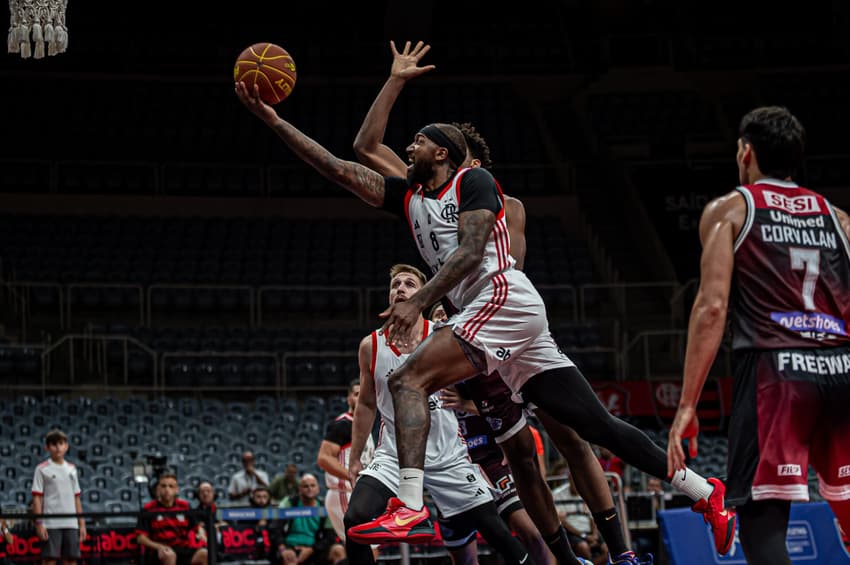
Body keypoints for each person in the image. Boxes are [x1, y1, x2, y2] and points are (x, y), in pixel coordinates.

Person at [234, 61, 733, 562]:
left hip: (499, 296)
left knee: (408, 379)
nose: (407, 149)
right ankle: (704, 492)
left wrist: (421, 302)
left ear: (442, 153)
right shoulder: (410, 198)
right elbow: (342, 165)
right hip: (499, 317)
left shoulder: (475, 183)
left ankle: (409, 503)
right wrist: (275, 122)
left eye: (416, 142)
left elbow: (472, 251)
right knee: (595, 425)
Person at [667, 105, 850, 565]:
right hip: (841, 369)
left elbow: (711, 308)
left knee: (763, 525)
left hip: (776, 374)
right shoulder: (840, 219)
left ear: (746, 153)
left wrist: (688, 403)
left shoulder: (730, 209)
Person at [343, 264, 541, 565]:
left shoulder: (441, 336)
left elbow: (487, 382)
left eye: (409, 284)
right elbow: (367, 404)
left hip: (448, 455)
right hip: (395, 455)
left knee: (499, 533)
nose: (400, 288)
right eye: (396, 284)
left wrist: (465, 399)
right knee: (354, 519)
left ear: (422, 294)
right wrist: (356, 455)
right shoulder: (370, 345)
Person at [316, 378, 375, 542]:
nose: (361, 397)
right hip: (345, 493)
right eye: (356, 394)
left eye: (364, 393)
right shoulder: (343, 424)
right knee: (365, 546)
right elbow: (323, 458)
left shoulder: (365, 425)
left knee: (368, 548)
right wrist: (352, 476)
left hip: (360, 494)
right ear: (349, 398)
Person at [31, 429, 87, 565]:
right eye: (54, 444)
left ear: (66, 446)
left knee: (71, 560)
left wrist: (82, 523)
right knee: (49, 561)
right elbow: (37, 498)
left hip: (71, 523)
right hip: (51, 523)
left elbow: (76, 498)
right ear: (47, 447)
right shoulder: (41, 469)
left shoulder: (72, 469)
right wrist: (39, 523)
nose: (58, 447)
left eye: (61, 443)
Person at [270, 474, 345, 565]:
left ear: (318, 489)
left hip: (315, 548)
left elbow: (329, 536)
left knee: (338, 550)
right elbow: (275, 528)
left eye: (312, 485)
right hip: (289, 548)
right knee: (290, 560)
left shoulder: (324, 507)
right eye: (305, 486)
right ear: (299, 489)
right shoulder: (288, 503)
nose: (309, 488)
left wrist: (311, 549)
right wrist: (283, 549)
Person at [136, 471, 208, 565]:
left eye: (171, 486)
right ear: (158, 489)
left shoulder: (184, 506)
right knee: (169, 555)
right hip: (159, 550)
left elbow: (197, 527)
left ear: (176, 490)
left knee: (205, 554)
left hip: (183, 549)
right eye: (163, 486)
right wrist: (159, 547)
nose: (167, 489)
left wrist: (201, 533)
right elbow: (140, 538)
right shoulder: (149, 509)